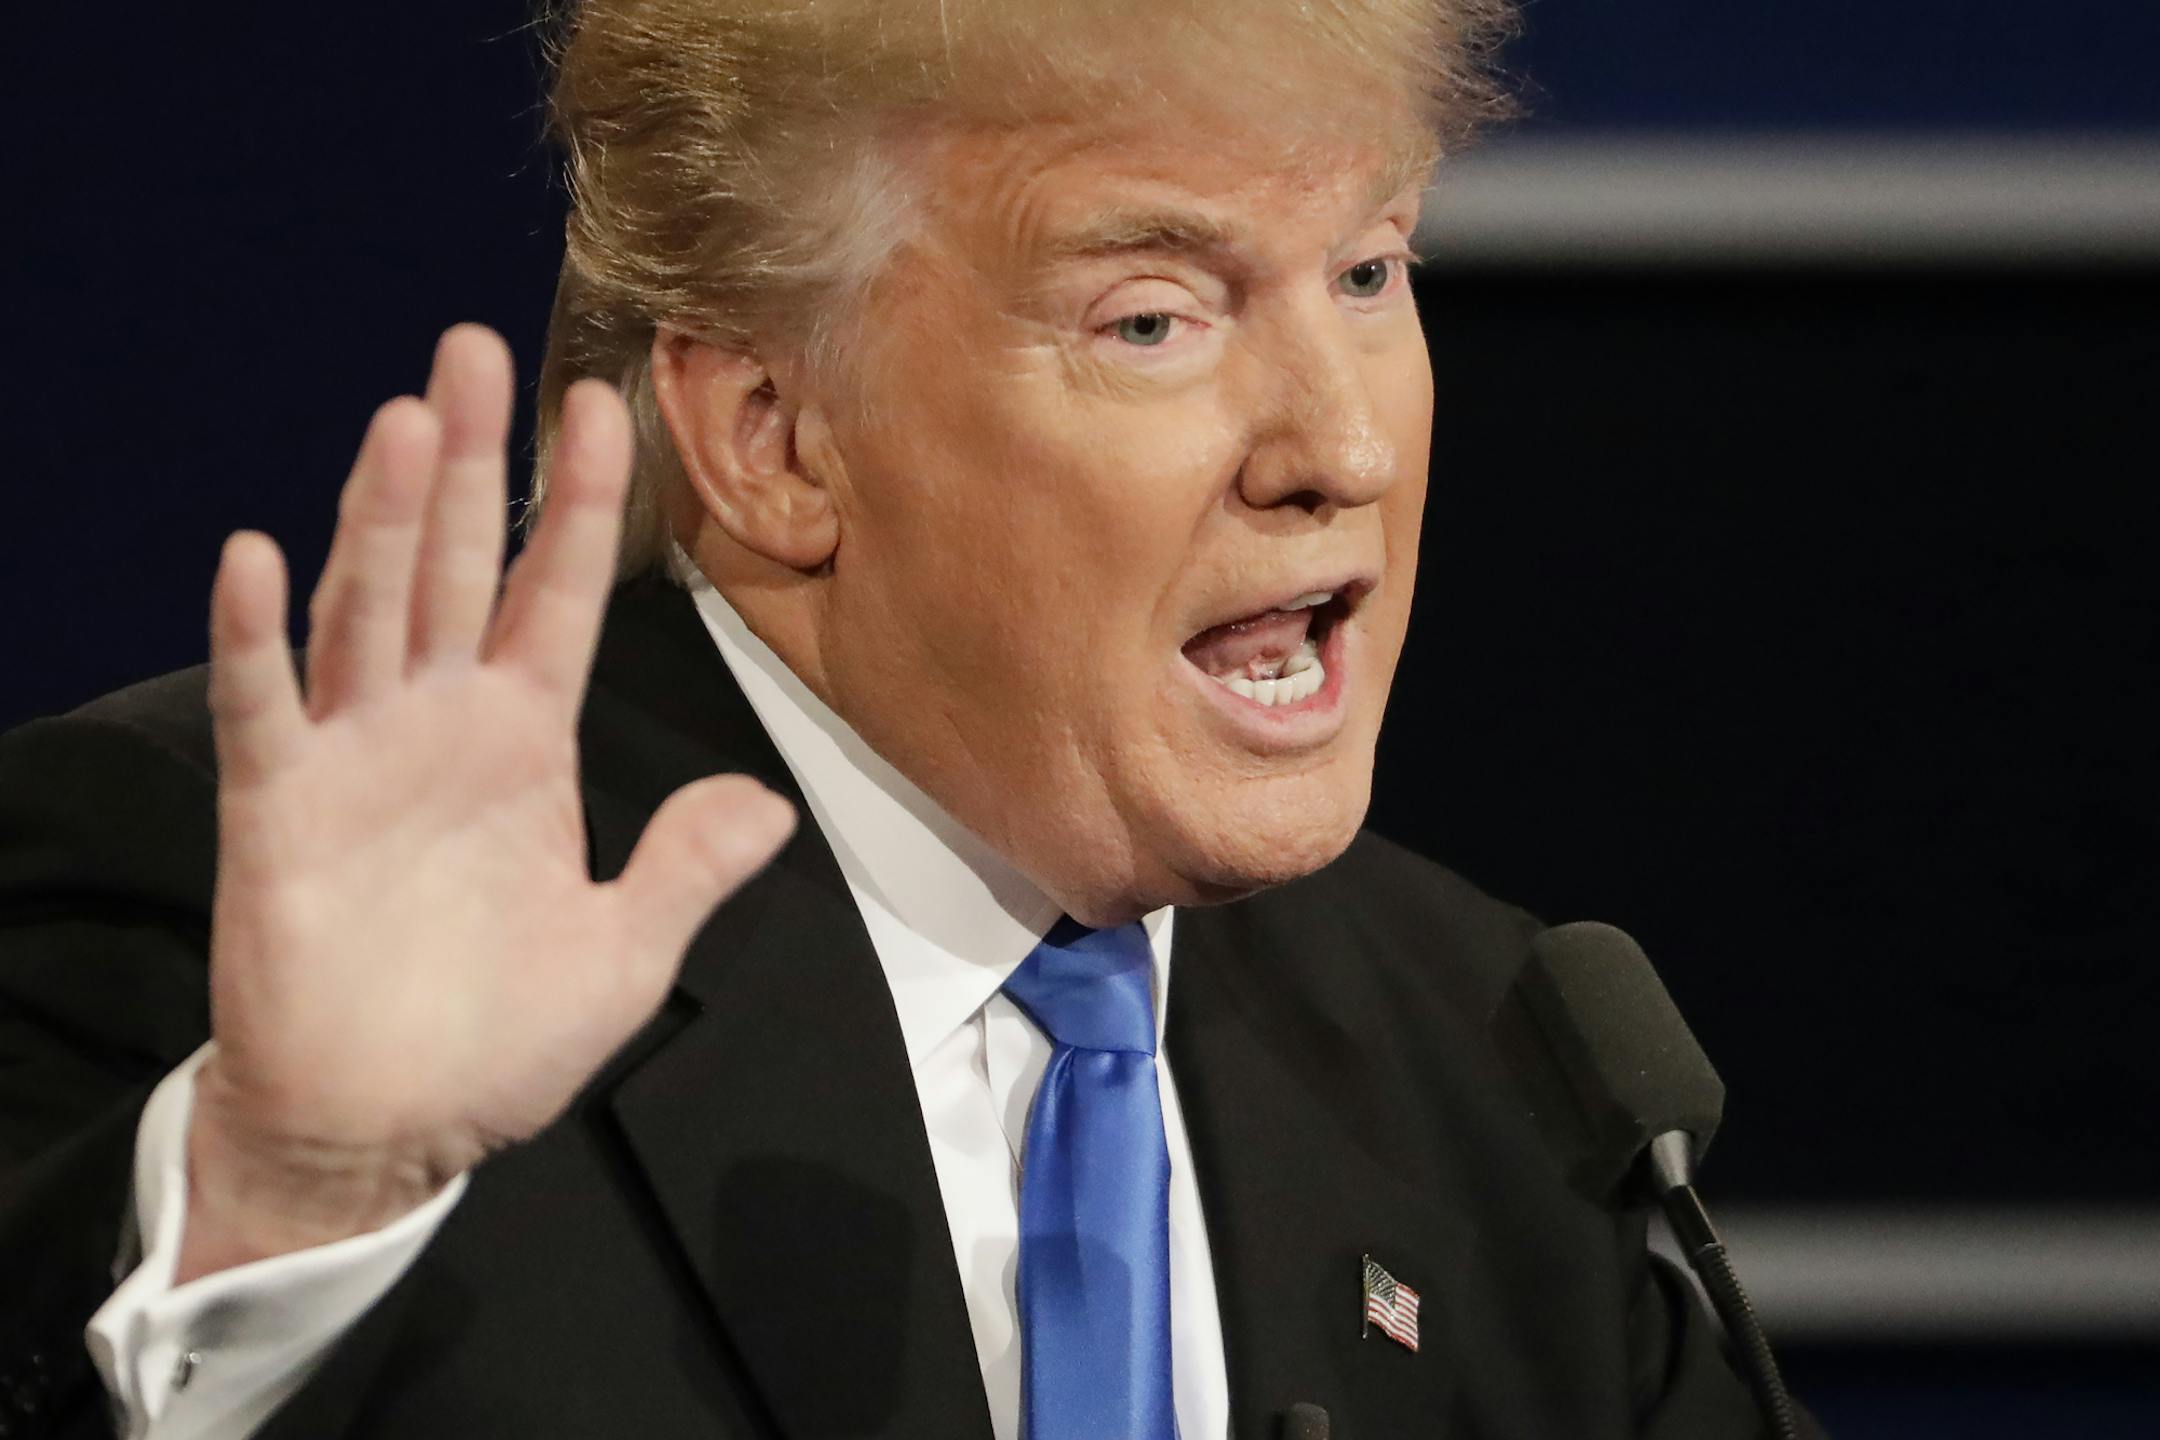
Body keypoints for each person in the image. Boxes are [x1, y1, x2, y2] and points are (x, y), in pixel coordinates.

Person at [0, 1, 1771, 1436]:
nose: (1346, 450)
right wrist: (280, 1212)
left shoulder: (1497, 1062)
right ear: (774, 434)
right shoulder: (243, 927)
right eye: (1154, 319)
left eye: (1371, 275)